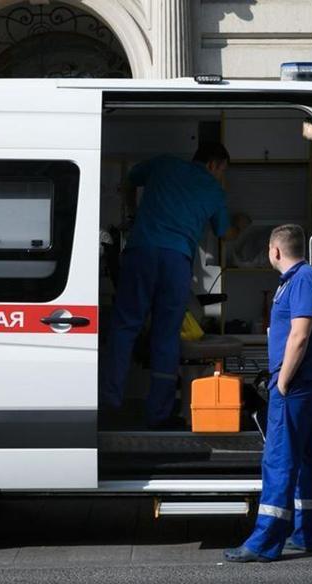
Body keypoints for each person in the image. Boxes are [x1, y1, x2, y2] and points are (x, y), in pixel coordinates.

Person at [224, 224, 312, 562]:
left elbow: (300, 335)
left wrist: (283, 381)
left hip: (296, 384)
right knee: (308, 459)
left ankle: (263, 542)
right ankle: (309, 534)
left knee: (279, 460)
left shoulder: (301, 281)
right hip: (306, 383)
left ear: (275, 251)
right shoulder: (303, 280)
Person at [101, 143, 230, 430]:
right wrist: (241, 223)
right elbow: (224, 232)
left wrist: (134, 213)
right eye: (223, 170)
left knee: (124, 327)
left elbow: (130, 180)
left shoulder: (164, 163)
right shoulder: (214, 189)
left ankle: (109, 402)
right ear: (214, 164)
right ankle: (158, 414)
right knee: (167, 335)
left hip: (141, 252)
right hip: (176, 261)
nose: (221, 176)